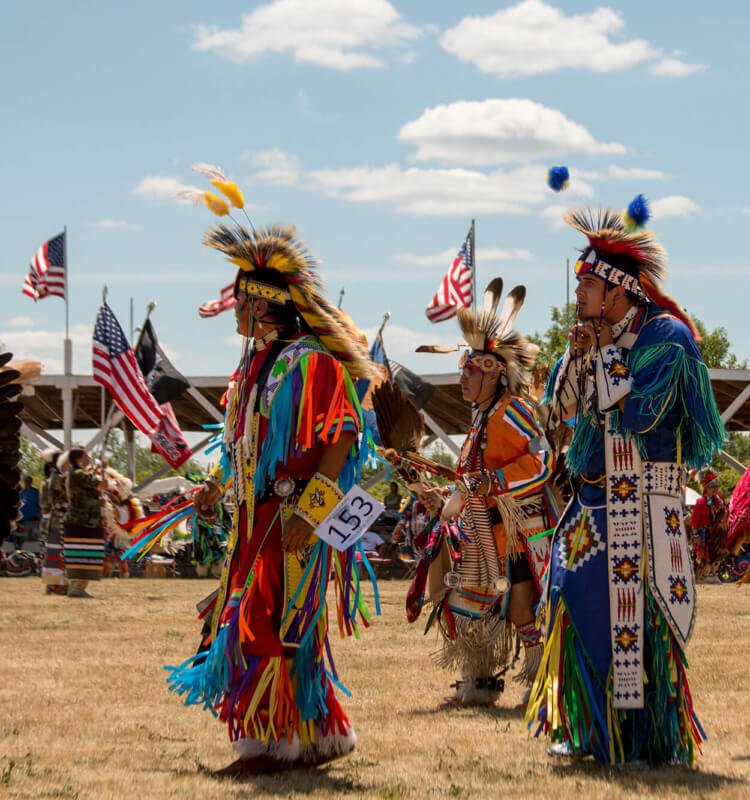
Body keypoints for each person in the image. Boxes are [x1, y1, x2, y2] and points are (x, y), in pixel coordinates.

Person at [172, 179, 382, 775]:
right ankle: (315, 736)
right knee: (272, 622)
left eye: (238, 301)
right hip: (257, 519)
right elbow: (249, 449)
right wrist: (221, 489)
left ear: (261, 304)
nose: (232, 310)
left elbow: (341, 433)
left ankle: (273, 743)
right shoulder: (257, 368)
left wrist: (312, 515)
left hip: (292, 519)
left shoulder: (307, 362)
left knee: (272, 622)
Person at [529, 207, 726, 765]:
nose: (580, 295)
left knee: (635, 620)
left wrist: (603, 357)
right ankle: (592, 728)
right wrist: (580, 355)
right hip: (592, 502)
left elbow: (640, 414)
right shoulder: (588, 340)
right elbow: (561, 412)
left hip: (641, 507)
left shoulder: (667, 337)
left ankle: (641, 738)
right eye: (581, 284)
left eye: (590, 284)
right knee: (575, 603)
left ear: (619, 290)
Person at [404, 277, 557, 707]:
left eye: (470, 370)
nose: (462, 378)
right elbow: (467, 477)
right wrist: (442, 498)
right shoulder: (479, 420)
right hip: (478, 531)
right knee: (468, 605)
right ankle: (477, 683)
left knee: (523, 608)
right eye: (462, 369)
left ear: (493, 373)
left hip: (519, 529)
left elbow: (542, 461)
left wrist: (495, 484)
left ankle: (542, 684)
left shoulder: (515, 411)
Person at [62, 448, 106, 598]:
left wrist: (97, 469)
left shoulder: (76, 474)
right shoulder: (79, 474)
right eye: (86, 455)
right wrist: (103, 470)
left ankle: (76, 587)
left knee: (79, 554)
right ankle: (78, 589)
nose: (89, 457)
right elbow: (102, 484)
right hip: (84, 520)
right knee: (86, 554)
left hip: (80, 519)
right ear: (79, 459)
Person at [689, 471, 727, 578]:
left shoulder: (720, 499)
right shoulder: (701, 503)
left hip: (717, 532)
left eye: (716, 486)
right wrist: (695, 535)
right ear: (706, 488)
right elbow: (694, 522)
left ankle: (714, 574)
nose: (715, 489)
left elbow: (724, 514)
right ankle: (702, 576)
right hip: (703, 533)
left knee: (718, 552)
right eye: (712, 487)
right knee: (704, 555)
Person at [39, 451, 67, 595]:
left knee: (60, 554)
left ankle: (59, 584)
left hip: (56, 520)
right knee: (53, 554)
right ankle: (53, 585)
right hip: (52, 521)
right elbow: (46, 504)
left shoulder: (56, 481)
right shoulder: (48, 483)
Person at [15, 475, 40, 549]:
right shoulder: (21, 492)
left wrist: (39, 514)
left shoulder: (35, 492)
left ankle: (32, 553)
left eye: (29, 481)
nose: (27, 482)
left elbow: (40, 504)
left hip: (32, 520)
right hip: (21, 520)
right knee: (20, 537)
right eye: (26, 481)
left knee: (31, 539)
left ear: (31, 482)